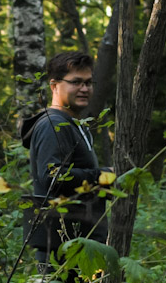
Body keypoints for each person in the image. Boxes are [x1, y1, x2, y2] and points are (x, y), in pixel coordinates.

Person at [20, 51, 115, 270]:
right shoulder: (53, 125)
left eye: (89, 83)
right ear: (54, 85)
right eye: (76, 82)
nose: (84, 88)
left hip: (79, 248)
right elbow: (53, 178)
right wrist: (103, 177)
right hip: (63, 254)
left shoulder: (73, 125)